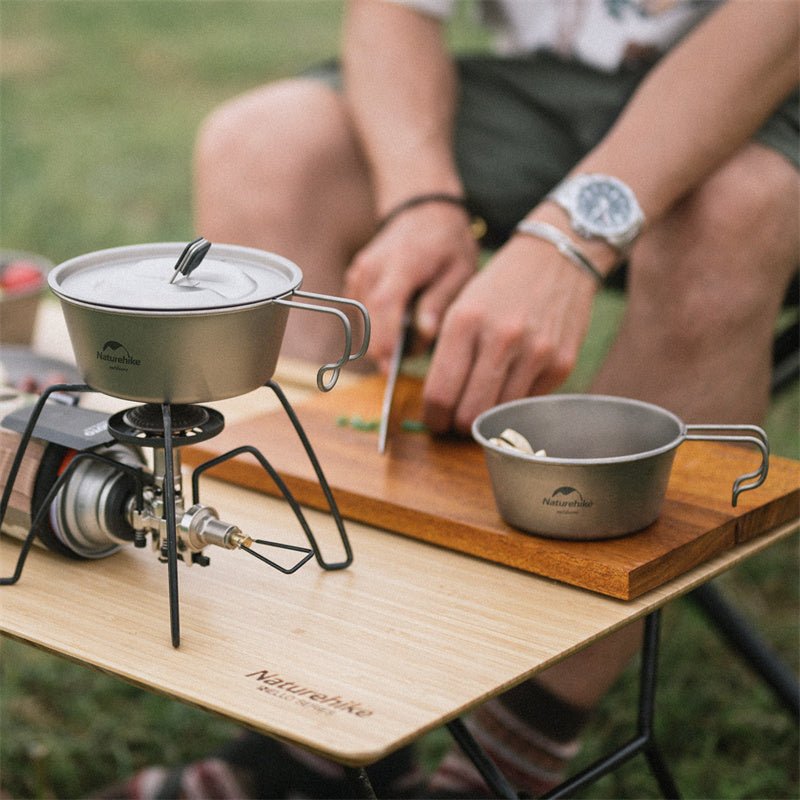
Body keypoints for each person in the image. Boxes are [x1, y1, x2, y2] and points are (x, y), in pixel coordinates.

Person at [99, 1, 799, 797]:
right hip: (556, 87)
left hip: (776, 88)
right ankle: (316, 731)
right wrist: (421, 203)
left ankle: (509, 762)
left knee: (734, 211)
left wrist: (566, 241)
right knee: (265, 146)